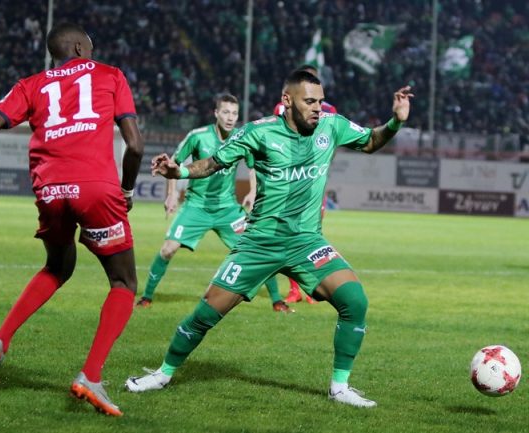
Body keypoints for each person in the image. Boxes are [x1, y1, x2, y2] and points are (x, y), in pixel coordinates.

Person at [125, 70, 413, 408]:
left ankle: (340, 387)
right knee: (206, 313)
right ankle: (163, 373)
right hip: (259, 242)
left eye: (320, 101)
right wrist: (181, 171)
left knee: (355, 300)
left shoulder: (331, 126)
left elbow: (371, 141)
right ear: (287, 100)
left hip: (306, 241)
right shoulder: (258, 132)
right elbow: (214, 163)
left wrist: (395, 121)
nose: (318, 108)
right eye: (310, 101)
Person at [0, 23, 144, 417]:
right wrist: (126, 189)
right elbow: (136, 146)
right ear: (80, 48)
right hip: (96, 188)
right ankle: (91, 376)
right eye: (89, 46)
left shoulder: (30, 85)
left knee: (57, 267)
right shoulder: (110, 75)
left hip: (50, 189)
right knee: (123, 282)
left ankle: (0, 341)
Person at [136, 93, 292, 313]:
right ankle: (146, 297)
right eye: (226, 112)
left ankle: (277, 301)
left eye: (234, 113)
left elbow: (252, 167)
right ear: (216, 113)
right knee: (167, 250)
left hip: (227, 210)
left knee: (256, 249)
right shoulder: (198, 136)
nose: (230, 117)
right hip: (196, 206)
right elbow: (173, 164)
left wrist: (252, 192)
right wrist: (171, 194)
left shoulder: (241, 137)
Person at [275, 64, 337, 305]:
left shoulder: (329, 112)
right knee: (289, 232)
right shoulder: (282, 108)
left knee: (312, 232)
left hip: (314, 183)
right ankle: (294, 289)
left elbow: (331, 144)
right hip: (291, 181)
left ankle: (311, 285)